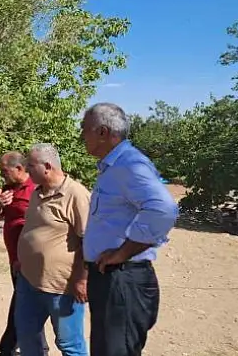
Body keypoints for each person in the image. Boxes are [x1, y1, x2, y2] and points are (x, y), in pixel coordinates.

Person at [81, 102, 179, 356]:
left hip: (123, 278)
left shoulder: (129, 164)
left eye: (84, 128)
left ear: (102, 132)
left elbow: (163, 209)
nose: (81, 135)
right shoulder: (113, 167)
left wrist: (122, 253)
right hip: (110, 277)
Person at [15, 143, 89, 356]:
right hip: (29, 281)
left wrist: (83, 279)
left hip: (61, 287)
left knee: (69, 345)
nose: (26, 169)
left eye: (30, 165)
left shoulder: (76, 194)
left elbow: (89, 241)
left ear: (47, 166)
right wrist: (23, 259)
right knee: (27, 337)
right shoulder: (37, 193)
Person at [0, 151, 49, 356]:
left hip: (29, 259)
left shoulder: (36, 188)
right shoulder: (8, 188)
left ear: (19, 168)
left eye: (4, 171)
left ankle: (8, 348)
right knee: (26, 304)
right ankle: (34, 347)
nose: (1, 175)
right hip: (14, 258)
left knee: (23, 305)